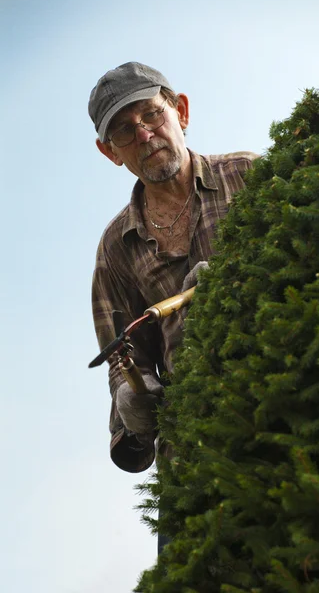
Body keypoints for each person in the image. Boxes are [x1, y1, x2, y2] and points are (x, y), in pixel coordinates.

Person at [88, 62, 258, 477]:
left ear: (180, 111)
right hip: (198, 449)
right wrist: (132, 396)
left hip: (293, 402)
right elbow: (123, 356)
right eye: (125, 131)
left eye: (151, 113)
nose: (144, 134)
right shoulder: (115, 250)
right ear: (110, 151)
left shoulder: (251, 176)